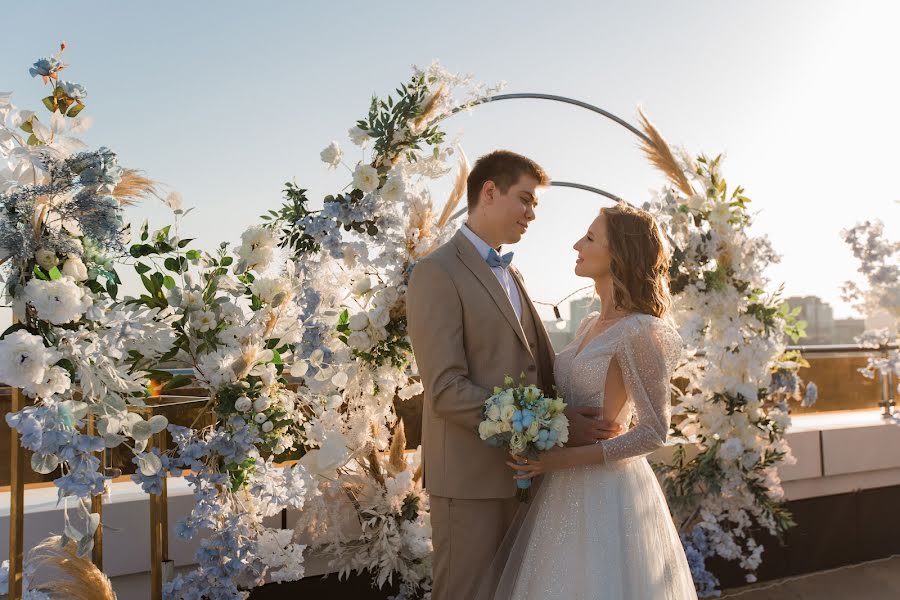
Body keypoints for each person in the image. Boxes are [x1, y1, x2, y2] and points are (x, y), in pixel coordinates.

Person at [406, 150, 622, 600]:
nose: (531, 214)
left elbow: (535, 367)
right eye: (525, 200)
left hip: (530, 475)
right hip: (470, 481)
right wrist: (552, 427)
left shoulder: (513, 273)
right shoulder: (435, 272)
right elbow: (446, 390)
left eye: (535, 206)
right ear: (489, 191)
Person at [483, 203, 698, 599]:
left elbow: (653, 432)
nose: (576, 244)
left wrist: (560, 459)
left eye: (590, 238)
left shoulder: (640, 331)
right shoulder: (587, 324)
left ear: (619, 254)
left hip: (608, 492)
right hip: (560, 488)